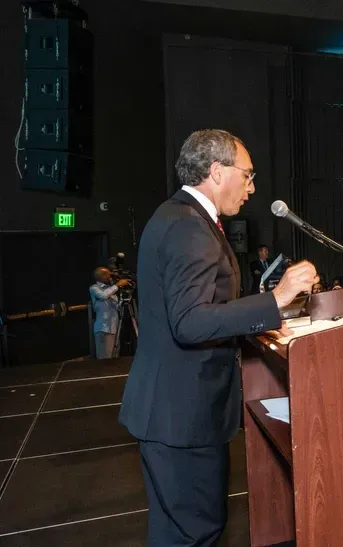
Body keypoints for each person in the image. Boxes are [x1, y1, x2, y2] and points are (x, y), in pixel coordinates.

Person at [119, 130, 317, 547]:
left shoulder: (176, 215)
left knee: (180, 533)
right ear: (216, 171)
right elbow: (188, 322)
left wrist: (259, 319)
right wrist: (275, 299)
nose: (252, 187)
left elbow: (199, 306)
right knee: (196, 534)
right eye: (247, 175)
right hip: (182, 416)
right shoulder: (189, 228)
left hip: (172, 412)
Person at [89, 267, 131, 359]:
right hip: (103, 329)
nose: (110, 276)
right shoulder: (94, 288)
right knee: (104, 360)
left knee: (113, 358)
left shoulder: (111, 289)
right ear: (101, 276)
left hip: (114, 328)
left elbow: (117, 307)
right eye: (108, 274)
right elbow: (103, 296)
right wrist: (117, 285)